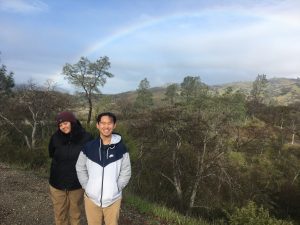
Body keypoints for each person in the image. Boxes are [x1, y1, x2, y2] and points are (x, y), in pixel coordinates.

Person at [76, 112, 131, 225]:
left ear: (114, 125)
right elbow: (80, 167)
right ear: (97, 125)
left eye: (109, 123)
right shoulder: (88, 147)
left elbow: (126, 171)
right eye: (103, 123)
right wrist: (87, 186)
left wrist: (117, 188)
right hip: (91, 199)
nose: (106, 126)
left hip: (113, 200)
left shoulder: (121, 148)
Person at [49, 111, 93, 225]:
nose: (63, 127)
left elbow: (92, 159)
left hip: (77, 184)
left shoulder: (87, 137)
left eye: (65, 123)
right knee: (59, 213)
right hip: (57, 183)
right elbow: (52, 153)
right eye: (60, 125)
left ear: (72, 122)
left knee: (75, 213)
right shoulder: (55, 138)